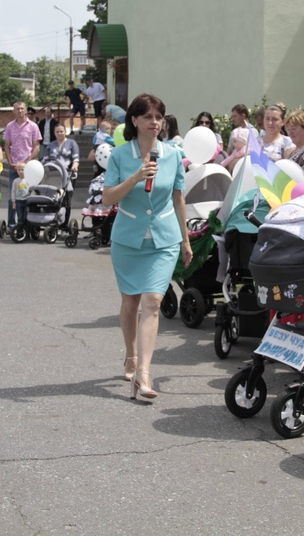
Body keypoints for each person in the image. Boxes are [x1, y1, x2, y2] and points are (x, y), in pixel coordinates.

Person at [102, 93, 192, 400]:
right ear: (135, 120)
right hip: (128, 238)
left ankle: (144, 375)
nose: (155, 122)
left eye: (159, 117)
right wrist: (136, 176)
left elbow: (178, 198)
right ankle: (131, 354)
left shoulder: (173, 154)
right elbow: (108, 198)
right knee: (131, 302)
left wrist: (186, 239)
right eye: (149, 117)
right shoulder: (119, 156)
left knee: (153, 300)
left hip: (165, 238)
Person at [3, 101, 41, 230]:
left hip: (29, 168)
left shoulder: (33, 126)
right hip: (14, 166)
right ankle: (11, 224)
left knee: (30, 196)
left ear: (26, 111)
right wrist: (9, 161)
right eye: (17, 109)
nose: (19, 111)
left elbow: (36, 146)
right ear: (13, 111)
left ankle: (29, 223)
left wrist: (29, 162)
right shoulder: (9, 126)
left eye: (22, 108)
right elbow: (7, 146)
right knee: (13, 196)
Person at [44, 124, 81, 229]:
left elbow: (76, 158)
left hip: (68, 174)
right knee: (53, 200)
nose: (60, 133)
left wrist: (75, 166)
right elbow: (45, 160)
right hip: (53, 176)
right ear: (54, 133)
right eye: (57, 132)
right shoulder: (50, 145)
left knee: (66, 201)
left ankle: (64, 225)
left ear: (65, 132)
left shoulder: (72, 143)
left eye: (61, 131)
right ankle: (50, 221)